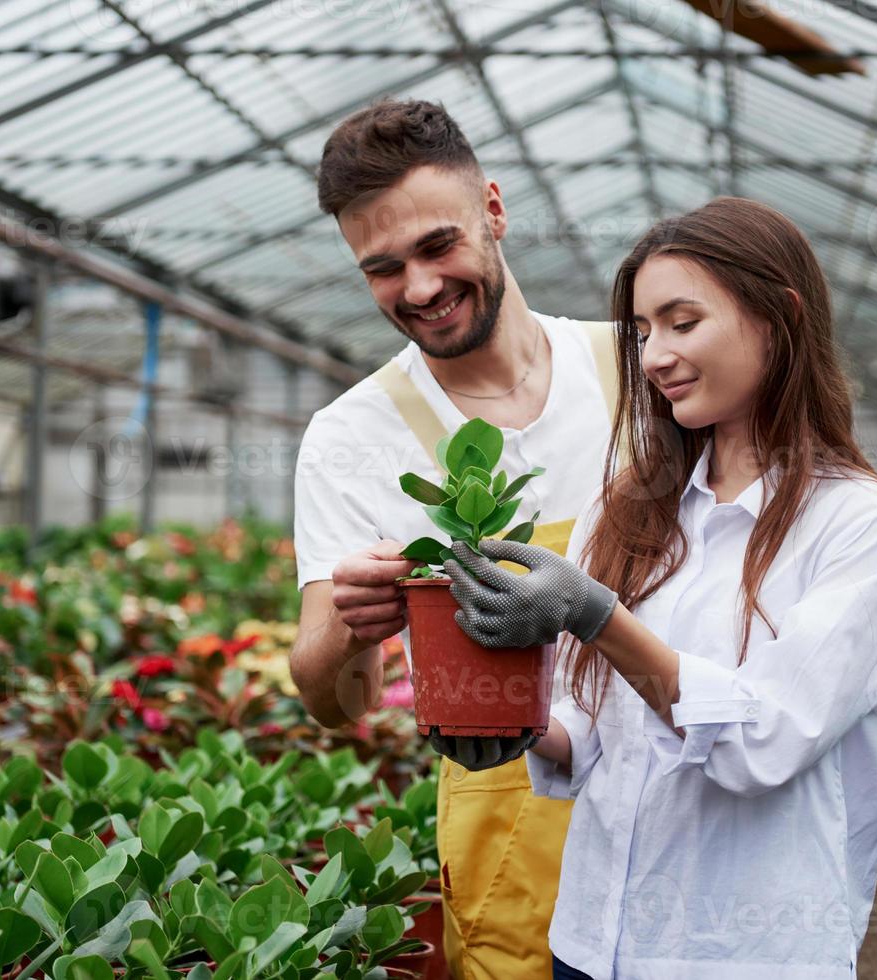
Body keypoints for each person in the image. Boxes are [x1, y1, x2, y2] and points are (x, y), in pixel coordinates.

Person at [444, 197, 877, 979]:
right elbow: (592, 719)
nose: (653, 355)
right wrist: (517, 726)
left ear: (780, 316)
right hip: (590, 944)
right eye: (639, 333)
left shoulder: (862, 528)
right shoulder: (629, 507)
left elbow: (759, 744)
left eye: (681, 321)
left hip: (743, 956)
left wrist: (597, 616)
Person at [289, 98, 619, 978]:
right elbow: (333, 701)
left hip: (679, 800)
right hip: (506, 825)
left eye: (439, 246)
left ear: (495, 211)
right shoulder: (352, 436)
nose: (421, 288)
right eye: (383, 268)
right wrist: (345, 630)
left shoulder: (637, 374)